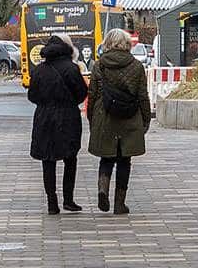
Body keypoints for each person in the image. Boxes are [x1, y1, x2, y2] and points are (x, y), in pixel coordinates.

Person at [87, 26, 152, 214]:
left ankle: (102, 189)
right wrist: (145, 119)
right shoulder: (136, 66)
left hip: (104, 114)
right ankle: (119, 204)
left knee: (106, 157)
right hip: (129, 116)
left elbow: (92, 95)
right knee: (124, 160)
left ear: (107, 43)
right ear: (127, 44)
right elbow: (142, 96)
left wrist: (92, 118)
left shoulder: (99, 65)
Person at [26, 34, 87, 215]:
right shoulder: (72, 68)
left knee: (48, 160)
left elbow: (32, 96)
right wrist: (69, 103)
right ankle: (68, 200)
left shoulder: (39, 70)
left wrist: (46, 104)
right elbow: (81, 93)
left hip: (44, 117)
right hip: (68, 117)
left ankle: (52, 202)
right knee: (70, 158)